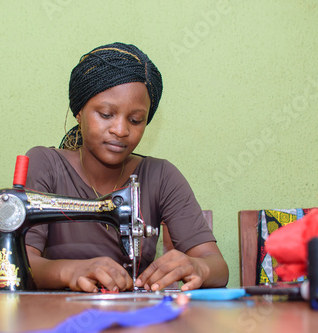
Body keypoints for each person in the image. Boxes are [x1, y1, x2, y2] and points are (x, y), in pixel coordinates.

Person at [24, 42, 229, 293]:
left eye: (135, 120)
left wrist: (199, 267)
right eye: (106, 114)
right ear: (79, 112)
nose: (121, 130)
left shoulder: (161, 176)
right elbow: (20, 264)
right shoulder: (45, 165)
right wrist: (72, 271)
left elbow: (218, 267)